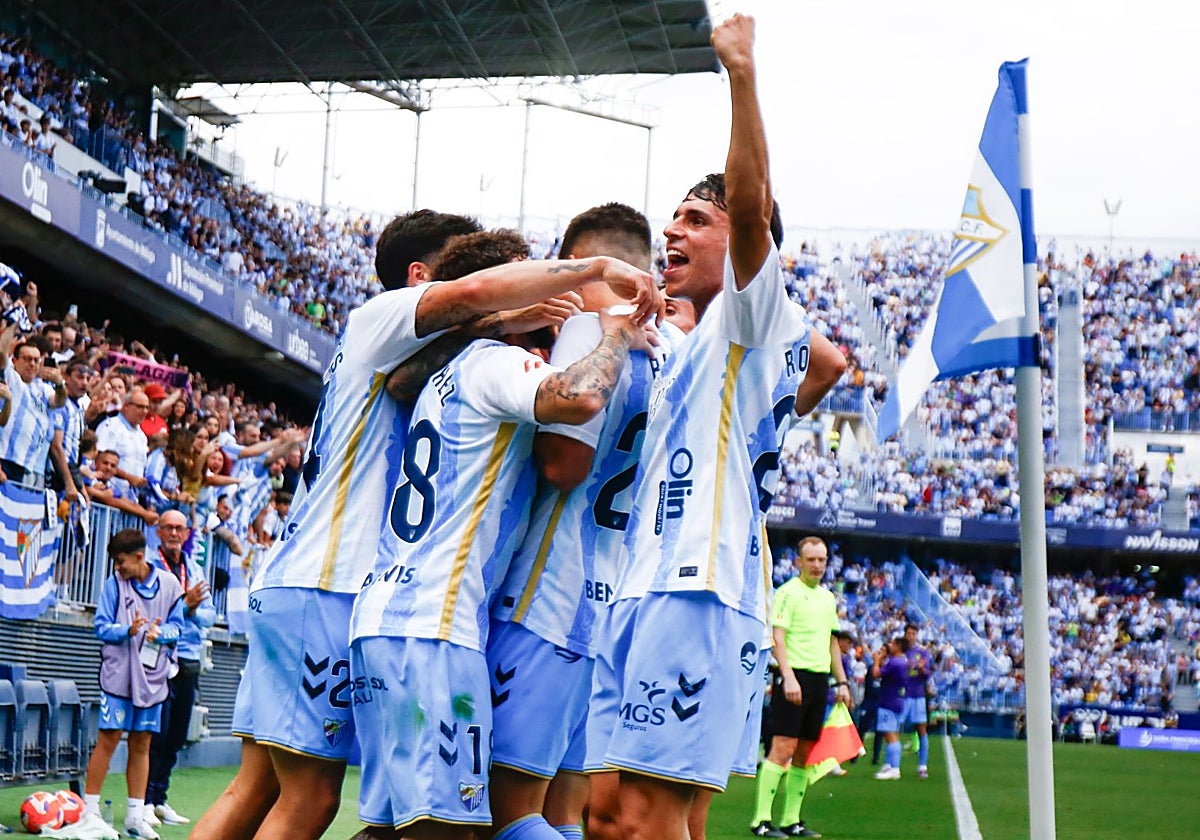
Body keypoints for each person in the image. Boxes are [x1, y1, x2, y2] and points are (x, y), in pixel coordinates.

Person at [192, 210, 660, 840]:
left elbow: (436, 357)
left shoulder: (428, 367)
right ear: (426, 280)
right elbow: (561, 391)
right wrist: (603, 314)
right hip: (365, 598)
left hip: (361, 599)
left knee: (319, 802)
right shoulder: (402, 325)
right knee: (319, 801)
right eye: (519, 282)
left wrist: (506, 323)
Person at [596, 16, 846, 840]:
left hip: (697, 585)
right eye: (671, 218)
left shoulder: (749, 312)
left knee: (641, 819)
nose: (672, 231)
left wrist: (740, 74)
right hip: (646, 580)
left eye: (694, 220)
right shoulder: (698, 339)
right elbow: (831, 365)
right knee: (608, 815)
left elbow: (750, 211)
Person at [348, 228, 649, 839]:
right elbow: (581, 399)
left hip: (386, 619)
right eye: (536, 280)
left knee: (392, 830)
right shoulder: (500, 364)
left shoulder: (444, 368)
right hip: (435, 629)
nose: (554, 296)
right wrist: (614, 329)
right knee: (458, 830)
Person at [485, 204, 686, 840]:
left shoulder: (589, 332)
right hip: (614, 601)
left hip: (548, 598)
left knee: (504, 812)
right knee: (563, 814)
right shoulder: (677, 347)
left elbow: (564, 466)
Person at [80, 528, 185, 839]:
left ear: (140, 557)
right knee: (108, 738)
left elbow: (179, 628)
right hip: (118, 678)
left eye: (121, 561)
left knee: (142, 743)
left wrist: (160, 633)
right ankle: (91, 811)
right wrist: (128, 629)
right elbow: (100, 627)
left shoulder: (170, 585)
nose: (117, 568)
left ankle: (135, 817)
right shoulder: (114, 586)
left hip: (152, 680)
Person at [749, 538, 851, 838]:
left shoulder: (828, 598)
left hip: (819, 681)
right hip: (794, 678)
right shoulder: (787, 593)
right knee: (782, 747)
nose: (817, 565)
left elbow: (833, 643)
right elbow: (778, 638)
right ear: (799, 562)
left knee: (806, 752)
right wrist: (788, 676)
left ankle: (792, 820)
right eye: (811, 559)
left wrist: (841, 681)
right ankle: (761, 820)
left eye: (822, 560)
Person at [144, 510, 215, 826]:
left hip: (188, 658)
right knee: (155, 734)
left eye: (179, 528)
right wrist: (184, 607)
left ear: (187, 534)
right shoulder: (149, 568)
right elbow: (149, 609)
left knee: (176, 734)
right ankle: (143, 800)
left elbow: (211, 616)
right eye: (168, 528)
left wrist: (193, 611)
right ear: (158, 532)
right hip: (157, 657)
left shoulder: (196, 570)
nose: (174, 533)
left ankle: (160, 798)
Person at [0, 325, 66, 486]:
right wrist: (12, 323)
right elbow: (1, 351)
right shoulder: (11, 378)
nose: (32, 364)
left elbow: (59, 402)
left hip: (24, 464)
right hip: (4, 457)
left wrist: (60, 384)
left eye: (36, 360)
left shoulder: (43, 389)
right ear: (15, 361)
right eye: (27, 359)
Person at [871, 639, 909, 781]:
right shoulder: (902, 661)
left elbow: (876, 673)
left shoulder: (895, 662)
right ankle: (889, 763)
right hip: (898, 699)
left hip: (889, 700)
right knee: (891, 734)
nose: (890, 646)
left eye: (893, 644)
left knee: (890, 734)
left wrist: (876, 661)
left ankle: (895, 768)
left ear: (898, 646)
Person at [901, 622, 933, 778]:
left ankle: (922, 766)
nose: (911, 636)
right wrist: (908, 666)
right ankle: (892, 764)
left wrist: (920, 668)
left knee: (922, 729)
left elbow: (927, 674)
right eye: (908, 633)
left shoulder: (922, 652)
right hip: (902, 694)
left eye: (913, 633)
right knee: (893, 728)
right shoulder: (900, 651)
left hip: (918, 695)